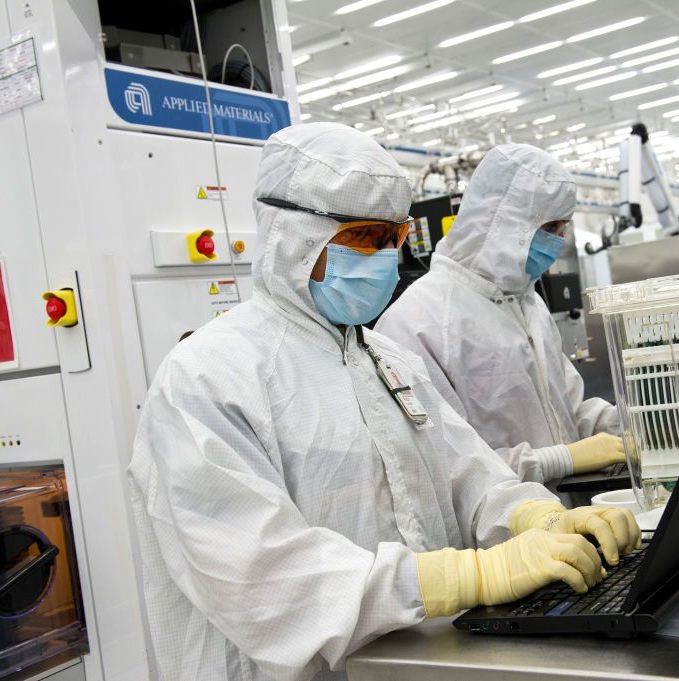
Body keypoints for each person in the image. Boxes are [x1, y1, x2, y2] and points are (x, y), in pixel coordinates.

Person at [127, 123, 640, 681]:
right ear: (295, 236)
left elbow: (469, 475)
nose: (387, 258)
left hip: (414, 661)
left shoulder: (388, 359)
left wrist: (531, 517)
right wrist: (464, 578)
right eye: (367, 237)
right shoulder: (208, 378)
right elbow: (264, 578)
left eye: (395, 238)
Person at [376, 144, 630, 485]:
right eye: (549, 227)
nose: (557, 241)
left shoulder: (528, 304)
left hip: (575, 517)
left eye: (562, 229)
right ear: (501, 218)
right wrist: (560, 459)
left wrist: (637, 426)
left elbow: (568, 412)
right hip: (507, 530)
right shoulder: (418, 322)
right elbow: (445, 468)